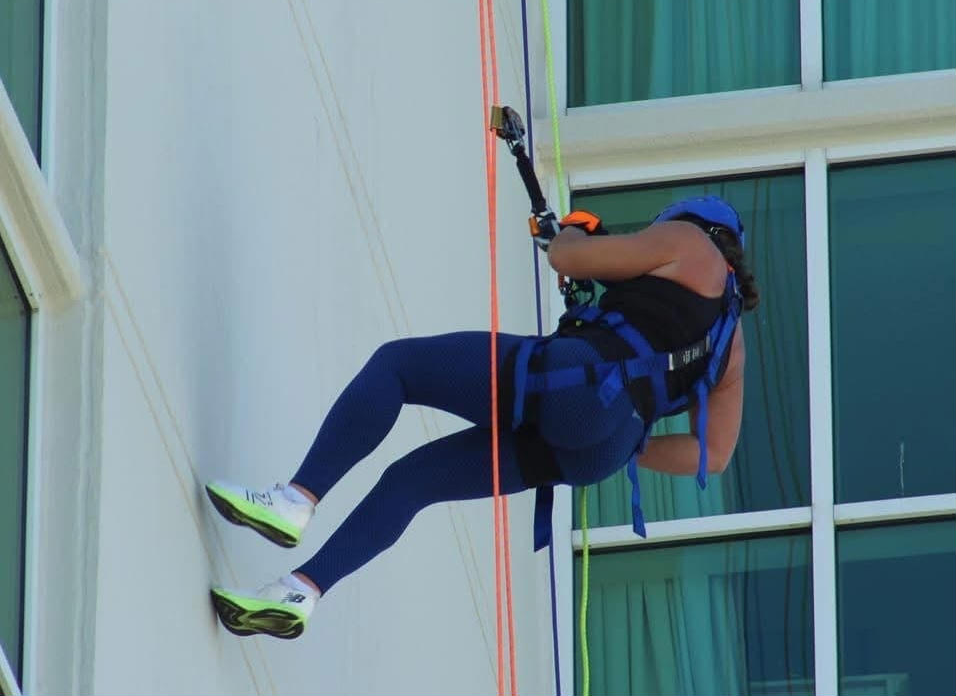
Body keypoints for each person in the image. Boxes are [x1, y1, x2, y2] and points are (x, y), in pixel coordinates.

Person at [206, 195, 759, 639]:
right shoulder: (731, 346)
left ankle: (297, 499)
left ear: (694, 224)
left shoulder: (690, 244)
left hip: (574, 381)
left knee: (397, 368)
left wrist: (575, 232)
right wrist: (630, 442)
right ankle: (300, 590)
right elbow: (711, 454)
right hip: (602, 448)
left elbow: (567, 257)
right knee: (414, 481)